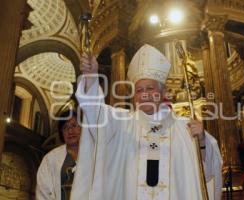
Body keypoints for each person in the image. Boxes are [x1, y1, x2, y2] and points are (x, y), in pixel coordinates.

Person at [71, 44, 223, 200]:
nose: (144, 95)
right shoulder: (122, 123)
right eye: (139, 90)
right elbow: (94, 112)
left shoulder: (185, 128)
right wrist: (91, 77)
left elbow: (209, 173)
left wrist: (202, 140)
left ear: (163, 92)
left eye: (149, 88)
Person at [36, 110, 81, 200]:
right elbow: (43, 191)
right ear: (61, 133)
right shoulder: (50, 158)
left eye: (74, 125)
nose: (70, 131)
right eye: (65, 127)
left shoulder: (94, 155)